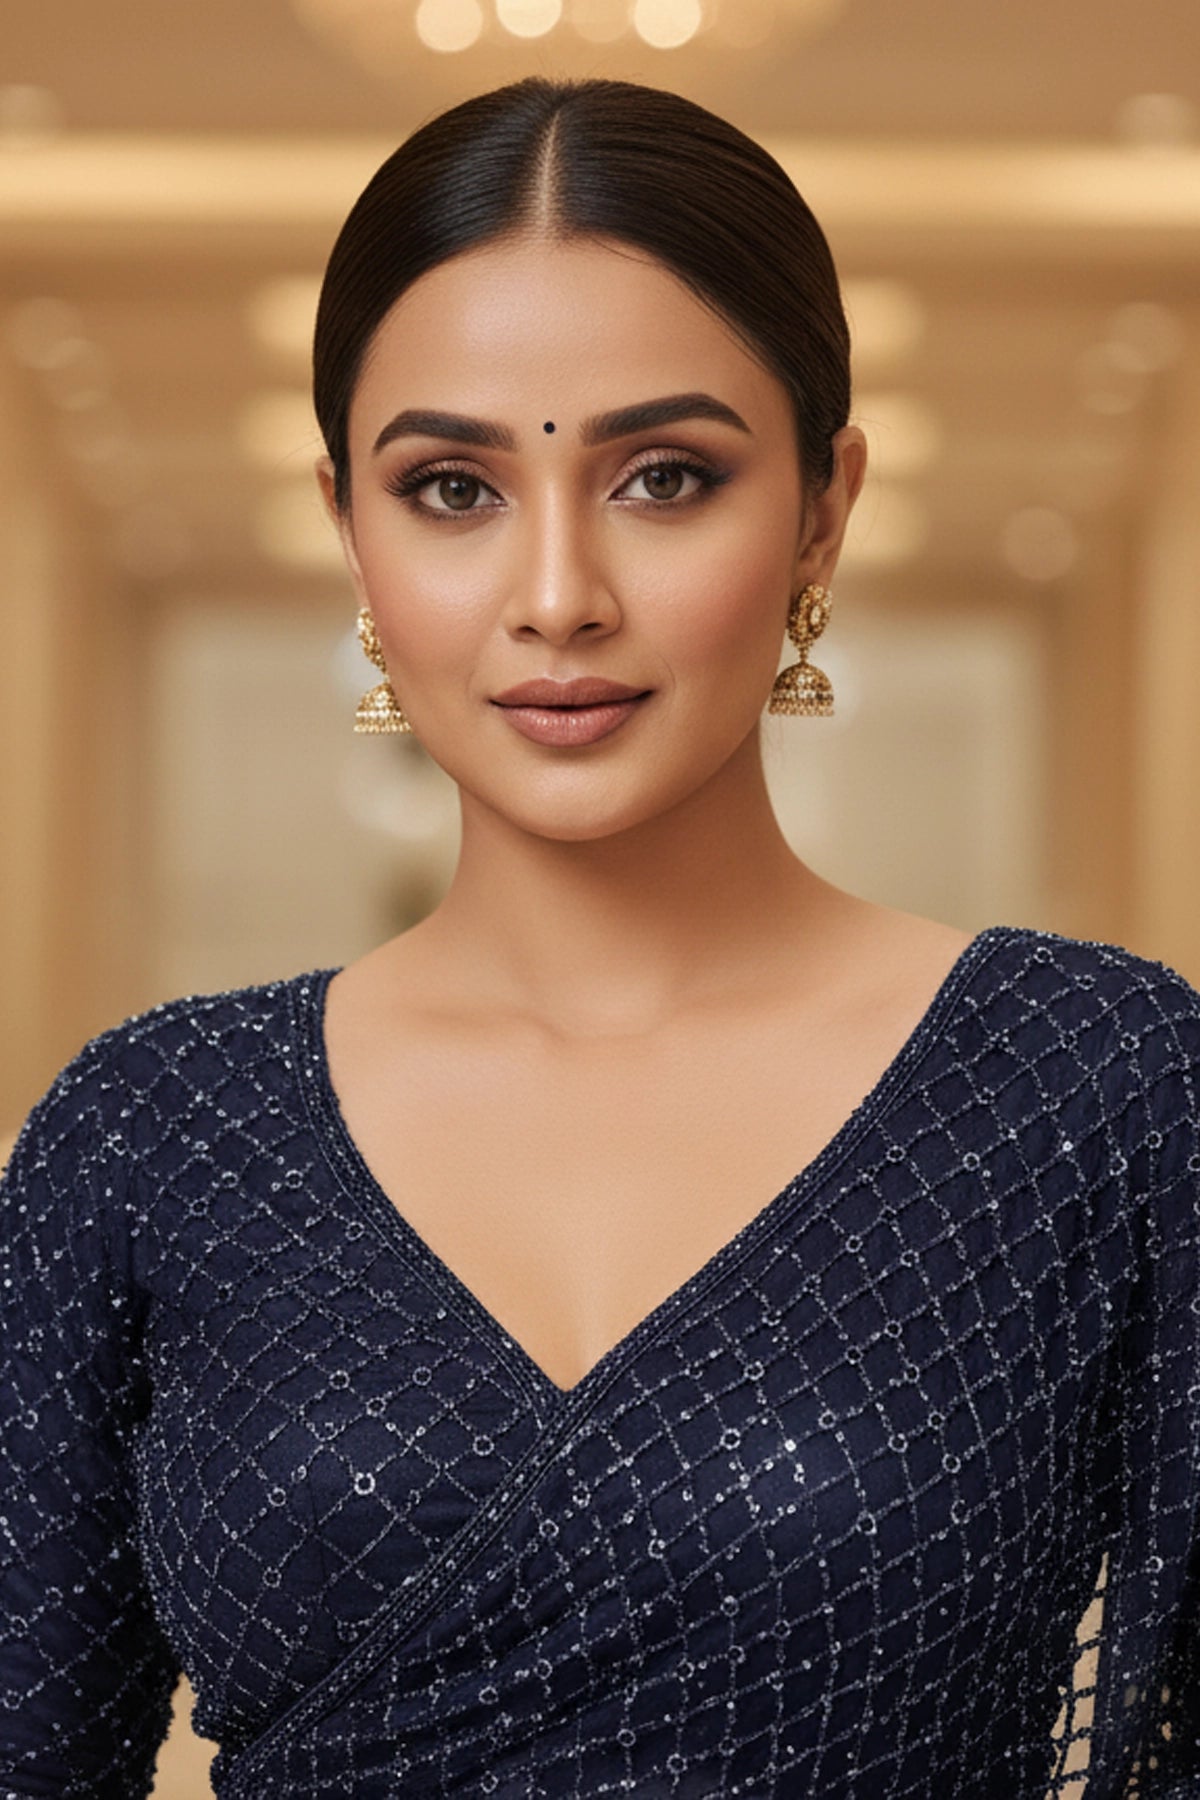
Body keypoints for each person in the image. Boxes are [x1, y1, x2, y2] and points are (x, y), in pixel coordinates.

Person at [1, 74, 1197, 1800]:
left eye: (663, 475)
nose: (557, 595)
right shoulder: (150, 1132)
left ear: (822, 507)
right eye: (453, 490)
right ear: (350, 523)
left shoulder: (1096, 1090)